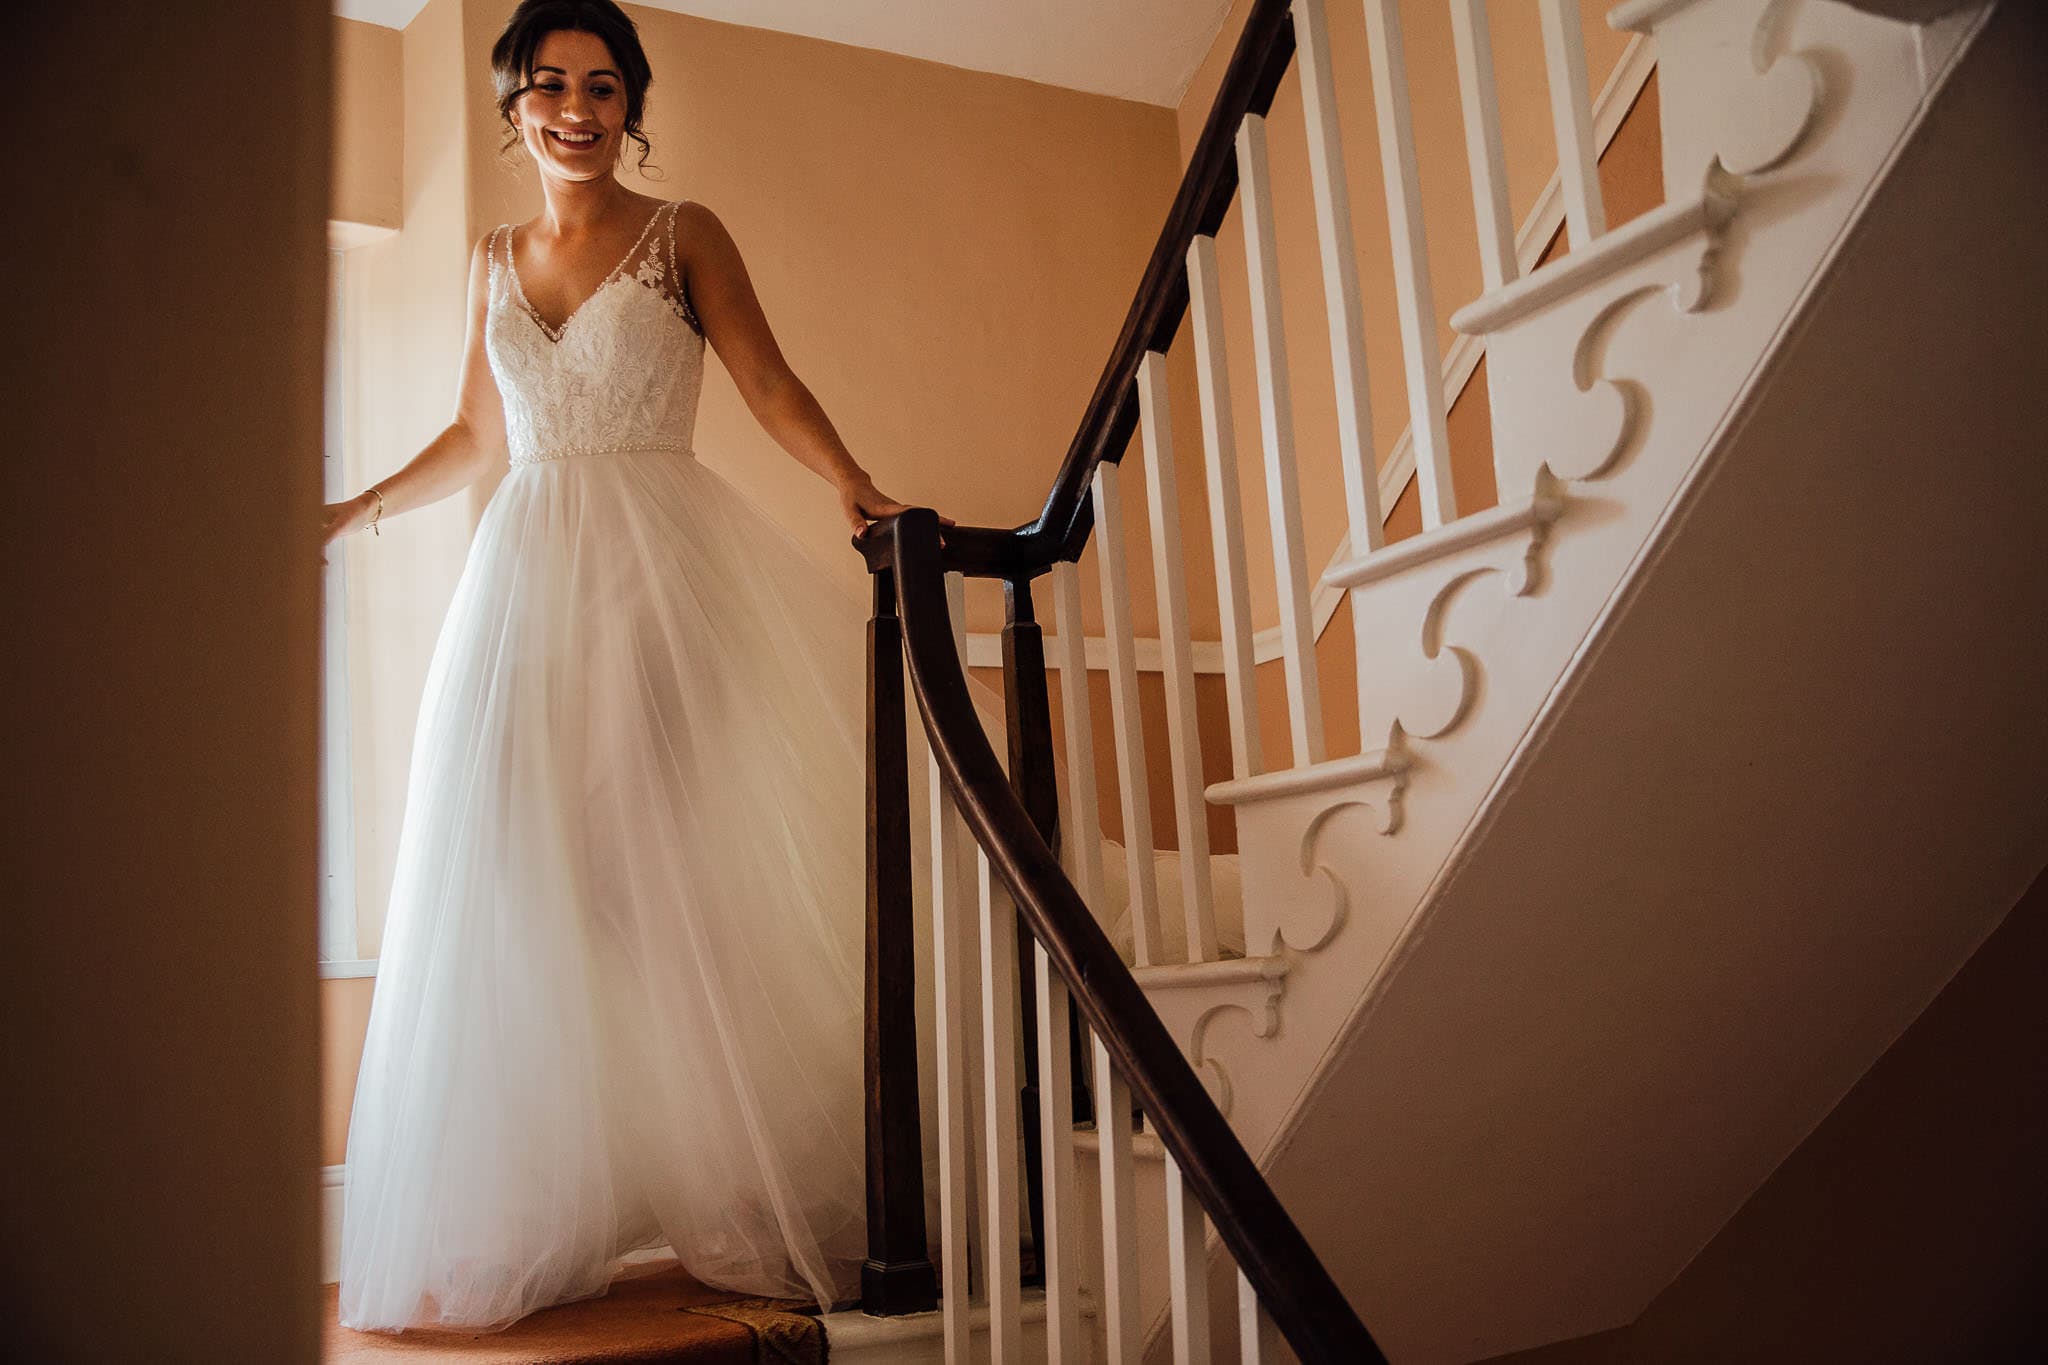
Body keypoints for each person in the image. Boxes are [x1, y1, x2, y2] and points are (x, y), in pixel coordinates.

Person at [323, 0, 932, 1333]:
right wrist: (348, 512)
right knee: (531, 883)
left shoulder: (683, 234)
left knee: (654, 878)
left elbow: (766, 377)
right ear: (516, 106)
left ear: (631, 104)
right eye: (553, 86)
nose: (579, 110)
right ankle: (565, 1204)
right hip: (525, 591)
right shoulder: (490, 258)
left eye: (604, 88)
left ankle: (733, 1187)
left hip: (658, 576)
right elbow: (481, 435)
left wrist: (848, 480)